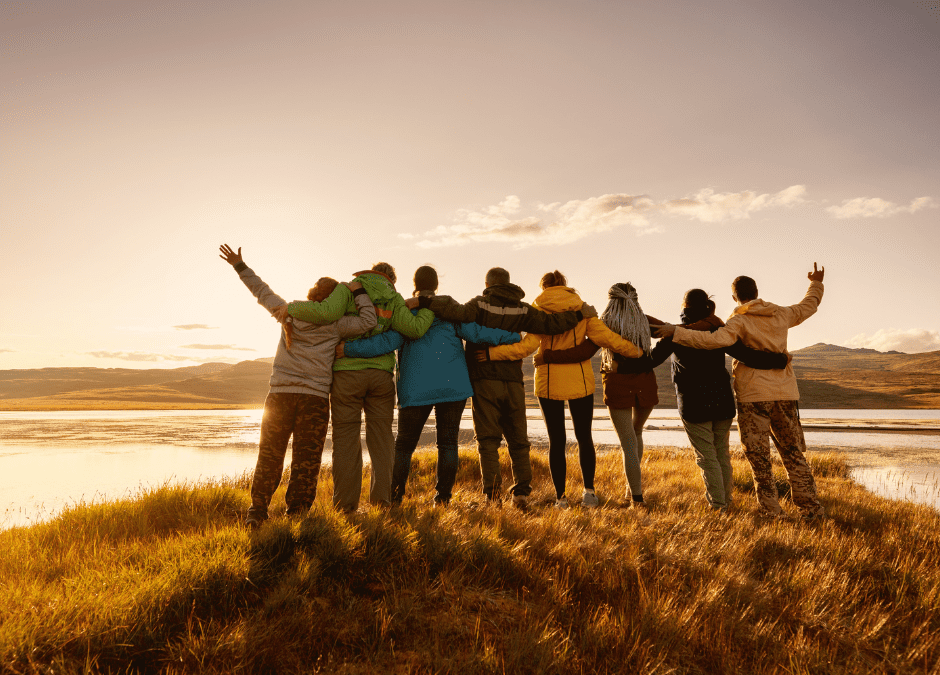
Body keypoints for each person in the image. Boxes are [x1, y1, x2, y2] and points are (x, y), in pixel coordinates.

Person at [544, 288, 790, 512]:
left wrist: (617, 362)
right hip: (712, 400)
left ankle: (709, 504)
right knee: (719, 454)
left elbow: (642, 358)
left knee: (682, 452)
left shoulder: (670, 332)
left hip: (683, 402)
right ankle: (725, 500)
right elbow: (745, 354)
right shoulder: (716, 329)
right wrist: (779, 360)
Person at [410, 267, 596, 510]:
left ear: (487, 284)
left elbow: (455, 312)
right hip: (513, 382)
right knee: (518, 440)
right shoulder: (523, 308)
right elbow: (551, 324)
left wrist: (423, 299)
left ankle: (493, 496)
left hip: (484, 381)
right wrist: (579, 314)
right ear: (508, 284)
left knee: (488, 441)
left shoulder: (479, 304)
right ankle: (521, 493)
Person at [218, 244, 377, 527]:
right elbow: (368, 320)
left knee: (270, 454)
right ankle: (297, 515)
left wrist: (240, 266)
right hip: (314, 399)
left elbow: (260, 290)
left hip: (279, 395)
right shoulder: (338, 324)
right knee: (307, 460)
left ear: (312, 294)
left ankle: (257, 511)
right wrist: (358, 292)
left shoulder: (288, 312)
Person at [339, 265, 521, 506]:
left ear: (414, 284)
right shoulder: (448, 309)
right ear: (436, 285)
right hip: (453, 386)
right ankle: (442, 498)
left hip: (416, 388)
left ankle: (394, 497)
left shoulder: (404, 310)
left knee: (404, 445)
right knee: (447, 443)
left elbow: (386, 342)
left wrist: (348, 349)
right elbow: (478, 333)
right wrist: (513, 336)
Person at [657, 264, 827, 520]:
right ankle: (811, 509)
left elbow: (712, 341)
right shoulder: (782, 314)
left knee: (759, 458)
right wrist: (816, 283)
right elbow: (809, 305)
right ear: (757, 292)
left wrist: (676, 333)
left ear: (735, 297)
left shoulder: (738, 322)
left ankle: (772, 511)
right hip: (785, 394)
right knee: (793, 452)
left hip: (753, 397)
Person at [479, 271, 644, 510]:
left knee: (557, 441)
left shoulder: (538, 311)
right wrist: (638, 352)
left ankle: (561, 498)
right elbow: (609, 339)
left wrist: (492, 353)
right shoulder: (583, 310)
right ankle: (589, 493)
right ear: (565, 286)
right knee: (584, 437)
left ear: (544, 287)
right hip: (581, 381)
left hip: (548, 382)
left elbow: (526, 347)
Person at [281, 262, 434, 512]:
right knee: (383, 440)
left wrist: (289, 307)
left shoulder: (347, 289)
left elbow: (324, 314)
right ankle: (382, 502)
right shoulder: (394, 298)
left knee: (345, 440)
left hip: (346, 375)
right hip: (381, 378)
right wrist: (427, 308)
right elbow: (413, 329)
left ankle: (345, 506)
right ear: (392, 279)